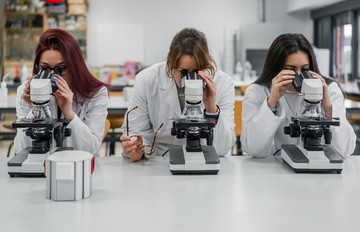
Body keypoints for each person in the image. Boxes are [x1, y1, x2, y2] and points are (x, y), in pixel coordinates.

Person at [120, 28, 236, 161]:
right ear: (170, 61)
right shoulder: (146, 80)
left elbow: (223, 148)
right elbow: (136, 133)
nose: (190, 80)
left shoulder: (223, 83)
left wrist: (211, 108)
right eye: (184, 72)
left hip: (203, 157)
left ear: (207, 62)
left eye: (198, 71)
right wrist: (137, 148)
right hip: (159, 161)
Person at [241, 33, 356, 158]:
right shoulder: (258, 91)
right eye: (290, 70)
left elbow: (346, 150)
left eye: (305, 69)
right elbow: (253, 149)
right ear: (276, 68)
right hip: (275, 168)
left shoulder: (329, 89)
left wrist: (328, 108)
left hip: (320, 168)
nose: (299, 76)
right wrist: (271, 103)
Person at [14, 29, 109, 155]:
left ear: (75, 67)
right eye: (45, 68)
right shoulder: (25, 92)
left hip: (78, 168)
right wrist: (36, 110)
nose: (52, 76)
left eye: (61, 69)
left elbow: (91, 149)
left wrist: (68, 114)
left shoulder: (96, 93)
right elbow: (20, 150)